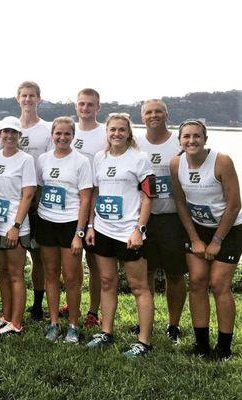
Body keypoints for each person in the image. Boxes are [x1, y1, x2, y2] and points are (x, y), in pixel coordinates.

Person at [84, 113, 156, 357]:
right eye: (112, 129)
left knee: (139, 286)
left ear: (128, 132)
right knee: (107, 282)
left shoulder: (140, 159)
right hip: (103, 229)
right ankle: (106, 331)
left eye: (121, 130)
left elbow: (149, 196)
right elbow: (96, 192)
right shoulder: (99, 157)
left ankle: (144, 342)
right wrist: (92, 226)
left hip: (129, 232)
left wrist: (139, 229)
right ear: (107, 132)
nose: (116, 134)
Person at [170, 119, 241, 361]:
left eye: (197, 136)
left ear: (205, 139)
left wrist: (218, 240)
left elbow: (234, 205)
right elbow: (180, 203)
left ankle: (224, 349)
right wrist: (195, 238)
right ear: (179, 140)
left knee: (219, 284)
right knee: (198, 282)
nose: (191, 141)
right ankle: (201, 346)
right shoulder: (175, 164)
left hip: (229, 228)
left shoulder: (222, 161)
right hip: (198, 228)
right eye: (186, 136)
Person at [135, 99, 187, 344]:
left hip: (172, 218)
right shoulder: (135, 143)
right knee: (145, 271)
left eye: (158, 111)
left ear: (167, 114)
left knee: (175, 273)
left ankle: (173, 325)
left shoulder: (180, 142)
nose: (153, 115)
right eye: (148, 112)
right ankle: (145, 322)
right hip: (143, 217)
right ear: (142, 116)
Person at [36, 117, 92, 344]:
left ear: (73, 136)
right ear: (52, 135)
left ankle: (73, 325)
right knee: (50, 274)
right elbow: (40, 189)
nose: (62, 138)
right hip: (46, 221)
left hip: (70, 223)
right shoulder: (42, 159)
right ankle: (53, 322)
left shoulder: (81, 161)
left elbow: (86, 199)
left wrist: (80, 233)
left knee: (71, 277)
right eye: (58, 133)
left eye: (67, 134)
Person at [62, 88, 107, 328]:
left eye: (90, 105)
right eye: (81, 104)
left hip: (95, 203)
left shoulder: (104, 133)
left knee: (94, 262)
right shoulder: (69, 130)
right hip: (70, 205)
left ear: (98, 107)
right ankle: (73, 302)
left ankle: (92, 311)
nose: (85, 108)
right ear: (76, 106)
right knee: (72, 259)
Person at [0, 116, 36, 335]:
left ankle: (17, 322)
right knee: (4, 273)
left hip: (15, 226)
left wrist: (16, 225)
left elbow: (28, 194)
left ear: (19, 136)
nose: (9, 136)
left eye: (14, 133)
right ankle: (6, 315)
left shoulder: (25, 160)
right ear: (0, 134)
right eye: (5, 132)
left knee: (16, 274)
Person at [16, 81, 52, 320]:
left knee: (39, 255)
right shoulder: (10, 127)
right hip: (13, 197)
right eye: (24, 96)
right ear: (18, 98)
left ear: (39, 99)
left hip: (38, 195)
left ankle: (38, 305)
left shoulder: (47, 129)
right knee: (16, 252)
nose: (28, 100)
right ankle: (15, 300)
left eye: (32, 96)